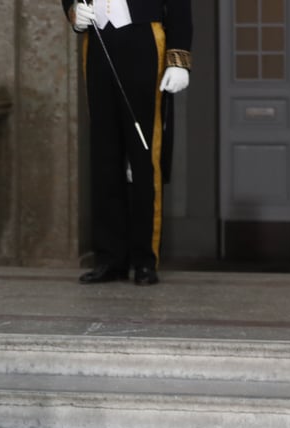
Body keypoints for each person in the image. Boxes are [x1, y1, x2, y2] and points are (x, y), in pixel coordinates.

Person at [63, 0, 193, 286]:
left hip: (143, 38)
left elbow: (180, 6)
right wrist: (73, 12)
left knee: (145, 152)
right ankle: (110, 258)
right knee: (103, 154)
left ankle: (145, 259)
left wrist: (179, 60)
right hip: (98, 40)